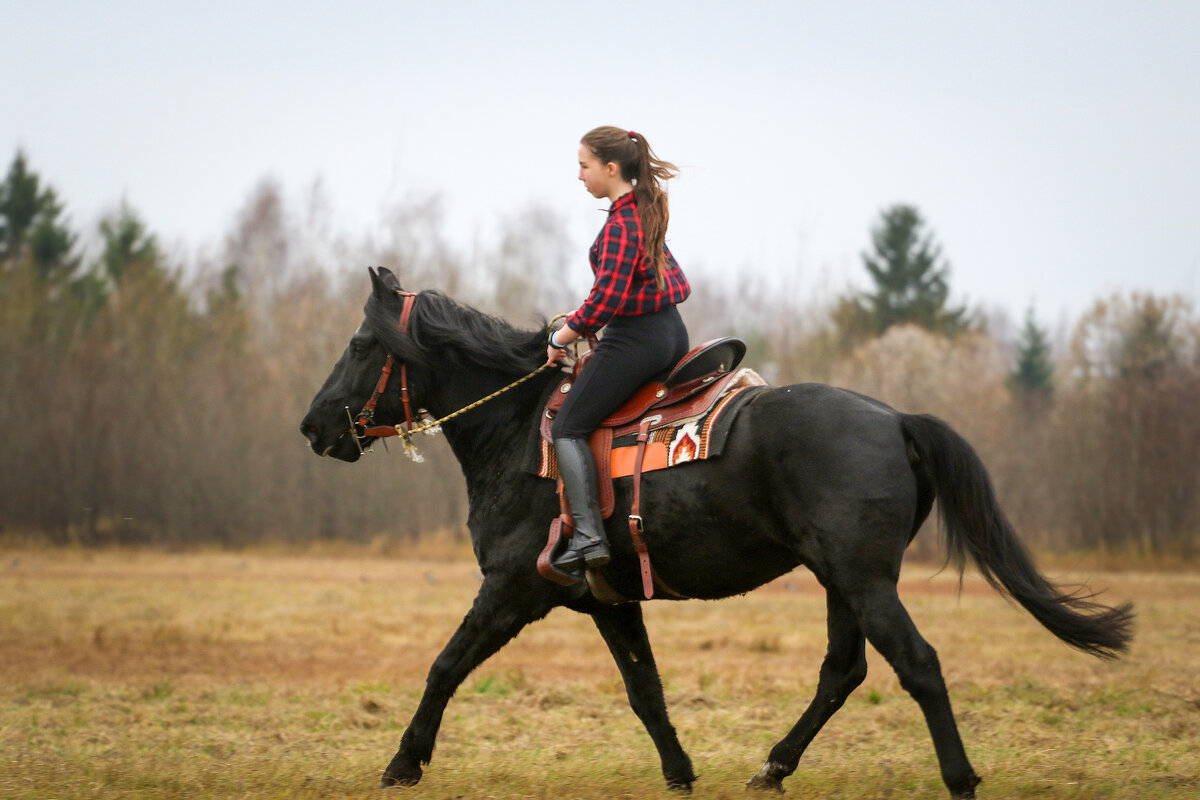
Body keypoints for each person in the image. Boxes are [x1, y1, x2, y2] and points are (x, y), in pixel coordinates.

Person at [546, 126, 691, 573]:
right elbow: (677, 284)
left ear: (610, 169)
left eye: (584, 166)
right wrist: (584, 319)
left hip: (635, 342)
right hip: (670, 334)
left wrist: (561, 336)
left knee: (568, 427)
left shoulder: (618, 226)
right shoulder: (645, 214)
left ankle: (589, 537)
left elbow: (606, 301)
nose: (579, 176)